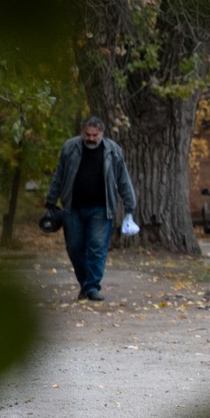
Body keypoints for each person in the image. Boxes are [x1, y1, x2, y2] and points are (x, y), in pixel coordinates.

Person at [45, 116, 137, 302]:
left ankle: (92, 287)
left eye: (95, 135)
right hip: (72, 208)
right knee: (74, 247)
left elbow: (123, 180)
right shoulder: (70, 148)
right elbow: (59, 175)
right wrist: (50, 201)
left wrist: (130, 206)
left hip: (101, 209)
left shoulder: (113, 151)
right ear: (82, 132)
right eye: (88, 134)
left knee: (97, 247)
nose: (91, 138)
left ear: (102, 134)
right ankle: (85, 284)